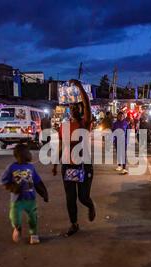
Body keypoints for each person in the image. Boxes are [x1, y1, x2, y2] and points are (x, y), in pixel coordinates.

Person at [52, 79, 96, 237]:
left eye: (76, 106)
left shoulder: (85, 123)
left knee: (83, 197)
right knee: (70, 198)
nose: (73, 109)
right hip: (68, 166)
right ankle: (74, 224)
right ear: (68, 110)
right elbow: (61, 146)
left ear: (80, 109)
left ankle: (90, 206)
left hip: (83, 166)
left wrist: (78, 86)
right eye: (71, 107)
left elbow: (88, 105)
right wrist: (56, 165)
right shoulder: (63, 126)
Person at [0, 144, 48, 244]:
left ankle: (33, 234)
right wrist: (12, 187)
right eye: (28, 152)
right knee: (14, 218)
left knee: (33, 219)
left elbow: (37, 182)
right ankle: (18, 228)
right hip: (17, 200)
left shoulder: (31, 167)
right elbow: (4, 181)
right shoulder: (11, 167)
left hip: (31, 199)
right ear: (20, 154)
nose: (29, 154)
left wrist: (44, 193)